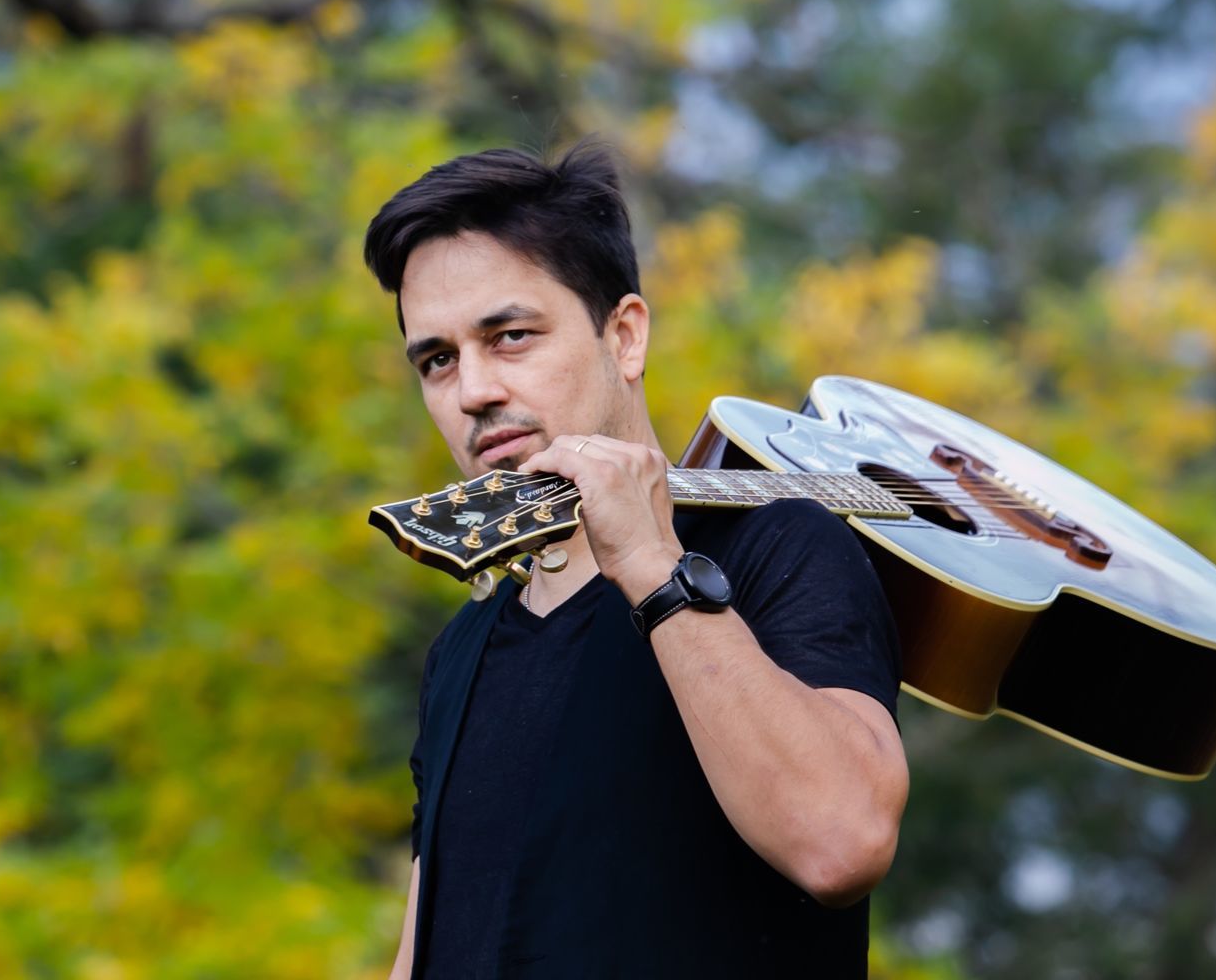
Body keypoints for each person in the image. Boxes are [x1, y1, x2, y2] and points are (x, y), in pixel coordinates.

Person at [363, 142, 907, 979]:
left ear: (624, 335)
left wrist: (653, 567)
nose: (471, 390)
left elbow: (841, 842)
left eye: (509, 337)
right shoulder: (460, 654)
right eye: (437, 359)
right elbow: (425, 951)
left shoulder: (778, 547)